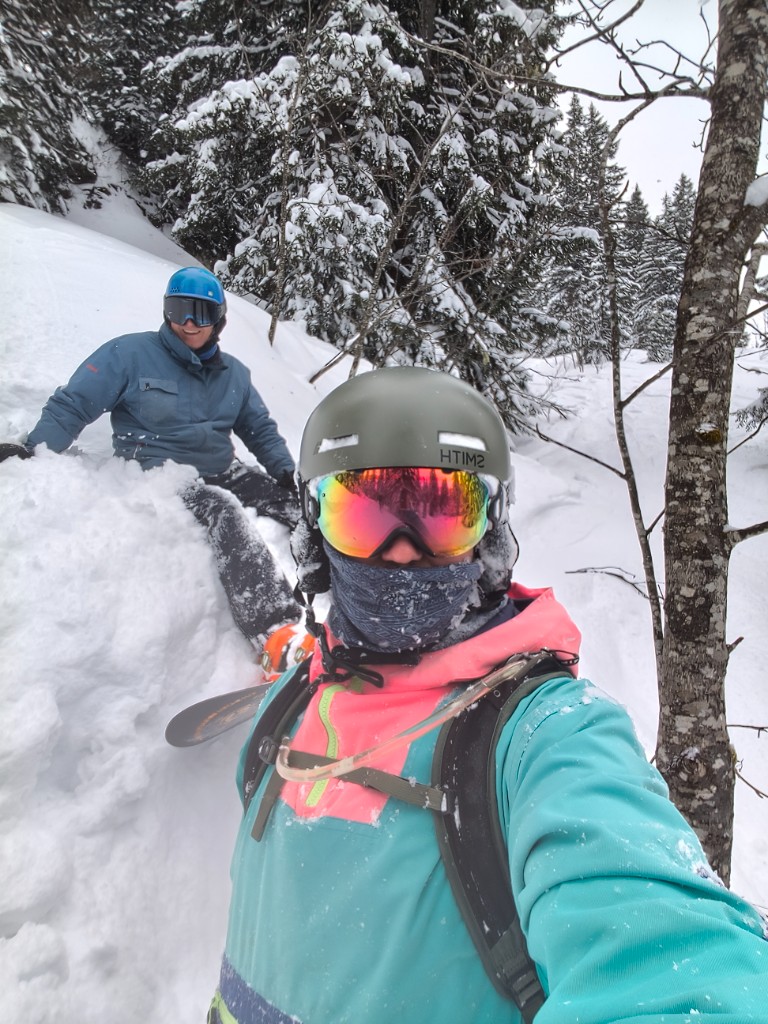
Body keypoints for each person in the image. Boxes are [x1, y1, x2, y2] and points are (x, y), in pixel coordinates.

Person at [208, 365, 768, 1024]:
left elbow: (676, 968)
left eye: (442, 517)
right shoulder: (289, 710)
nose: (402, 555)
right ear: (314, 531)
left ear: (491, 531)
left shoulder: (545, 736)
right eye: (364, 517)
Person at [6, 268, 304, 657]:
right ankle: (276, 633)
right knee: (223, 513)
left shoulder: (234, 374)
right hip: (161, 475)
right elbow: (75, 403)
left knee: (304, 509)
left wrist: (283, 472)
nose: (189, 323)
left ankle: (351, 589)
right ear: (166, 311)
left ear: (220, 319)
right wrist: (35, 447)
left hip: (224, 469)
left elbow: (259, 428)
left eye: (202, 312)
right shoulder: (129, 354)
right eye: (179, 309)